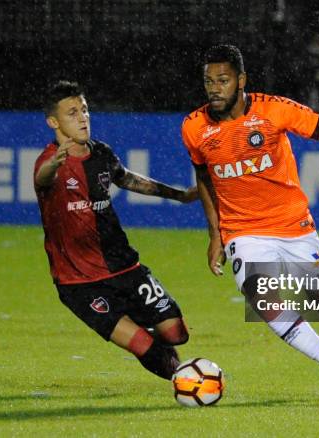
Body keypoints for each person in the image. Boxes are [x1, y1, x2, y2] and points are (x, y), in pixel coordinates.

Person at [181, 44, 319, 400]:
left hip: (293, 224)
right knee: (261, 295)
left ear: (241, 81)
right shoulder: (194, 127)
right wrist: (216, 235)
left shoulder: (273, 110)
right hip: (243, 231)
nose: (214, 88)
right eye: (209, 81)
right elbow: (205, 178)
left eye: (222, 80)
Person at [34, 80, 197, 381]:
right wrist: (54, 165)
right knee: (154, 354)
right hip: (80, 283)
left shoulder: (102, 154)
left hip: (125, 267)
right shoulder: (48, 163)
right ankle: (172, 369)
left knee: (176, 334)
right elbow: (44, 179)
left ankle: (141, 327)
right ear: (53, 122)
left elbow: (129, 180)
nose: (82, 118)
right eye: (72, 113)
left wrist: (178, 195)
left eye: (84, 110)